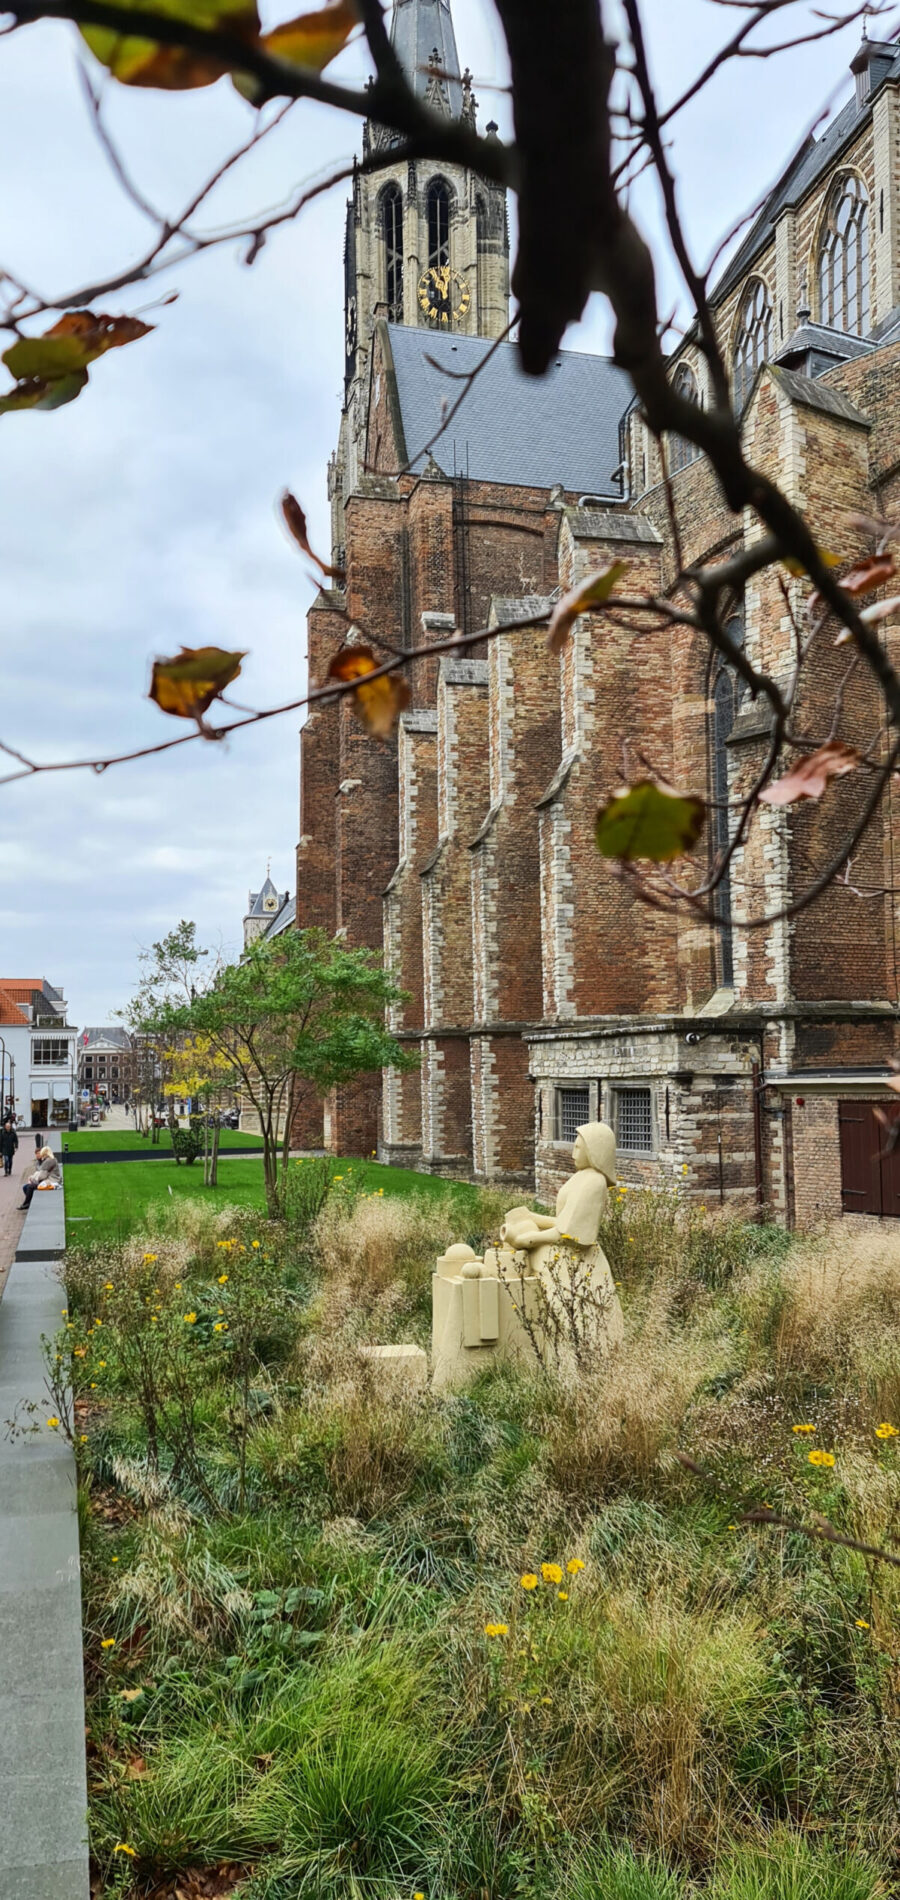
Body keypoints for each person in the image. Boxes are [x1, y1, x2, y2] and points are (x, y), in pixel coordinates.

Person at [19, 1145, 62, 1210]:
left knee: (30, 1187)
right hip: (54, 1180)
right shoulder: (53, 1159)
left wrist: (32, 1179)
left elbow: (42, 1176)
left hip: (51, 1181)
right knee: (27, 1187)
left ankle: (26, 1204)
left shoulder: (47, 1161)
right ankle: (27, 1203)